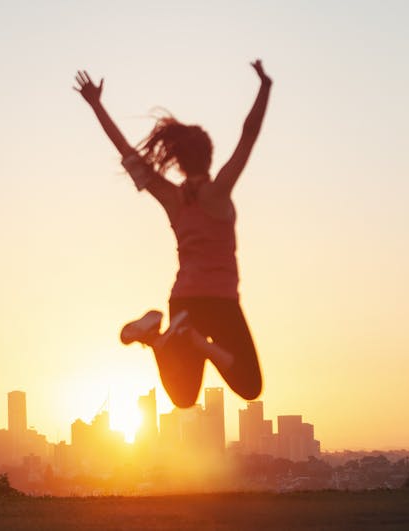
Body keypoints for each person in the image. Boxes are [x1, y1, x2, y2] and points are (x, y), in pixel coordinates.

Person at [74, 61, 272, 406]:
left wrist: (96, 105)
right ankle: (198, 342)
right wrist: (265, 86)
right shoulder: (219, 192)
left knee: (183, 398)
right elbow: (249, 134)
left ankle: (156, 339)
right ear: (209, 158)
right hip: (222, 301)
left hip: (183, 302)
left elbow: (127, 153)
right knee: (250, 387)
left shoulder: (172, 198)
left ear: (178, 161)